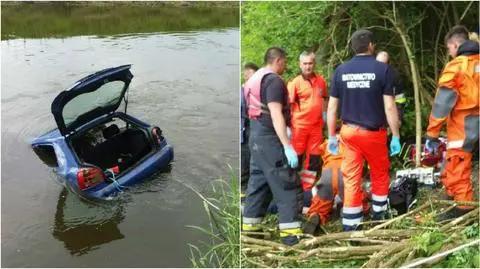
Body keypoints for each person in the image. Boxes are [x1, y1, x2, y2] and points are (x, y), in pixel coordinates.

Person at [326, 29, 401, 231]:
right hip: (374, 134)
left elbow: (332, 108)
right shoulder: (382, 70)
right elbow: (389, 106)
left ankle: (351, 226)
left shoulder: (341, 71)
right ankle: (379, 217)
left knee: (351, 178)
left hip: (349, 133)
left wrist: (331, 136)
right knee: (379, 173)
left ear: (352, 48)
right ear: (371, 46)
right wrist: (396, 135)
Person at [242, 47, 303, 246]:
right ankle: (291, 238)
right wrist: (287, 144)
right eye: (285, 62)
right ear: (277, 60)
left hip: (255, 137)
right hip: (270, 139)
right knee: (287, 185)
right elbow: (276, 114)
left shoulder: (253, 79)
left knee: (259, 185)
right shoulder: (273, 81)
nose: (286, 66)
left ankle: (251, 233)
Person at [426, 25, 479, 221]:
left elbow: (443, 103)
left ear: (456, 44)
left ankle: (464, 208)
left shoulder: (456, 67)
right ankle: (451, 193)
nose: (449, 53)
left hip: (464, 124)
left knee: (457, 163)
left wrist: (432, 132)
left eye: (449, 49)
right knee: (452, 163)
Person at [303, 133, 369, 235]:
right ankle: (347, 210)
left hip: (327, 175)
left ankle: (315, 216)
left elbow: (319, 153)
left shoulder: (327, 142)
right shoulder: (354, 140)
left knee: (319, 205)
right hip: (346, 174)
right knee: (358, 202)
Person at [287, 51, 328, 206]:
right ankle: (293, 189)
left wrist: (324, 115)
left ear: (314, 64)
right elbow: (288, 105)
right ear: (300, 65)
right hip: (299, 127)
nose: (308, 66)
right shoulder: (294, 83)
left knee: (314, 159)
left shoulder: (321, 82)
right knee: (295, 159)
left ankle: (306, 191)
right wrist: (287, 127)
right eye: (305, 63)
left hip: (316, 127)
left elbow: (325, 99)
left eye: (310, 63)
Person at [241, 62, 259, 207]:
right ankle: (242, 198)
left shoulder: (257, 93)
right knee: (244, 167)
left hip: (255, 135)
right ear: (245, 76)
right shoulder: (241, 93)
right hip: (243, 135)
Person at [376, 51, 406, 125]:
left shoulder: (394, 75)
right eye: (377, 63)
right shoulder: (370, 73)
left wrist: (399, 117)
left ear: (388, 64)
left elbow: (400, 97)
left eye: (382, 64)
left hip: (389, 114)